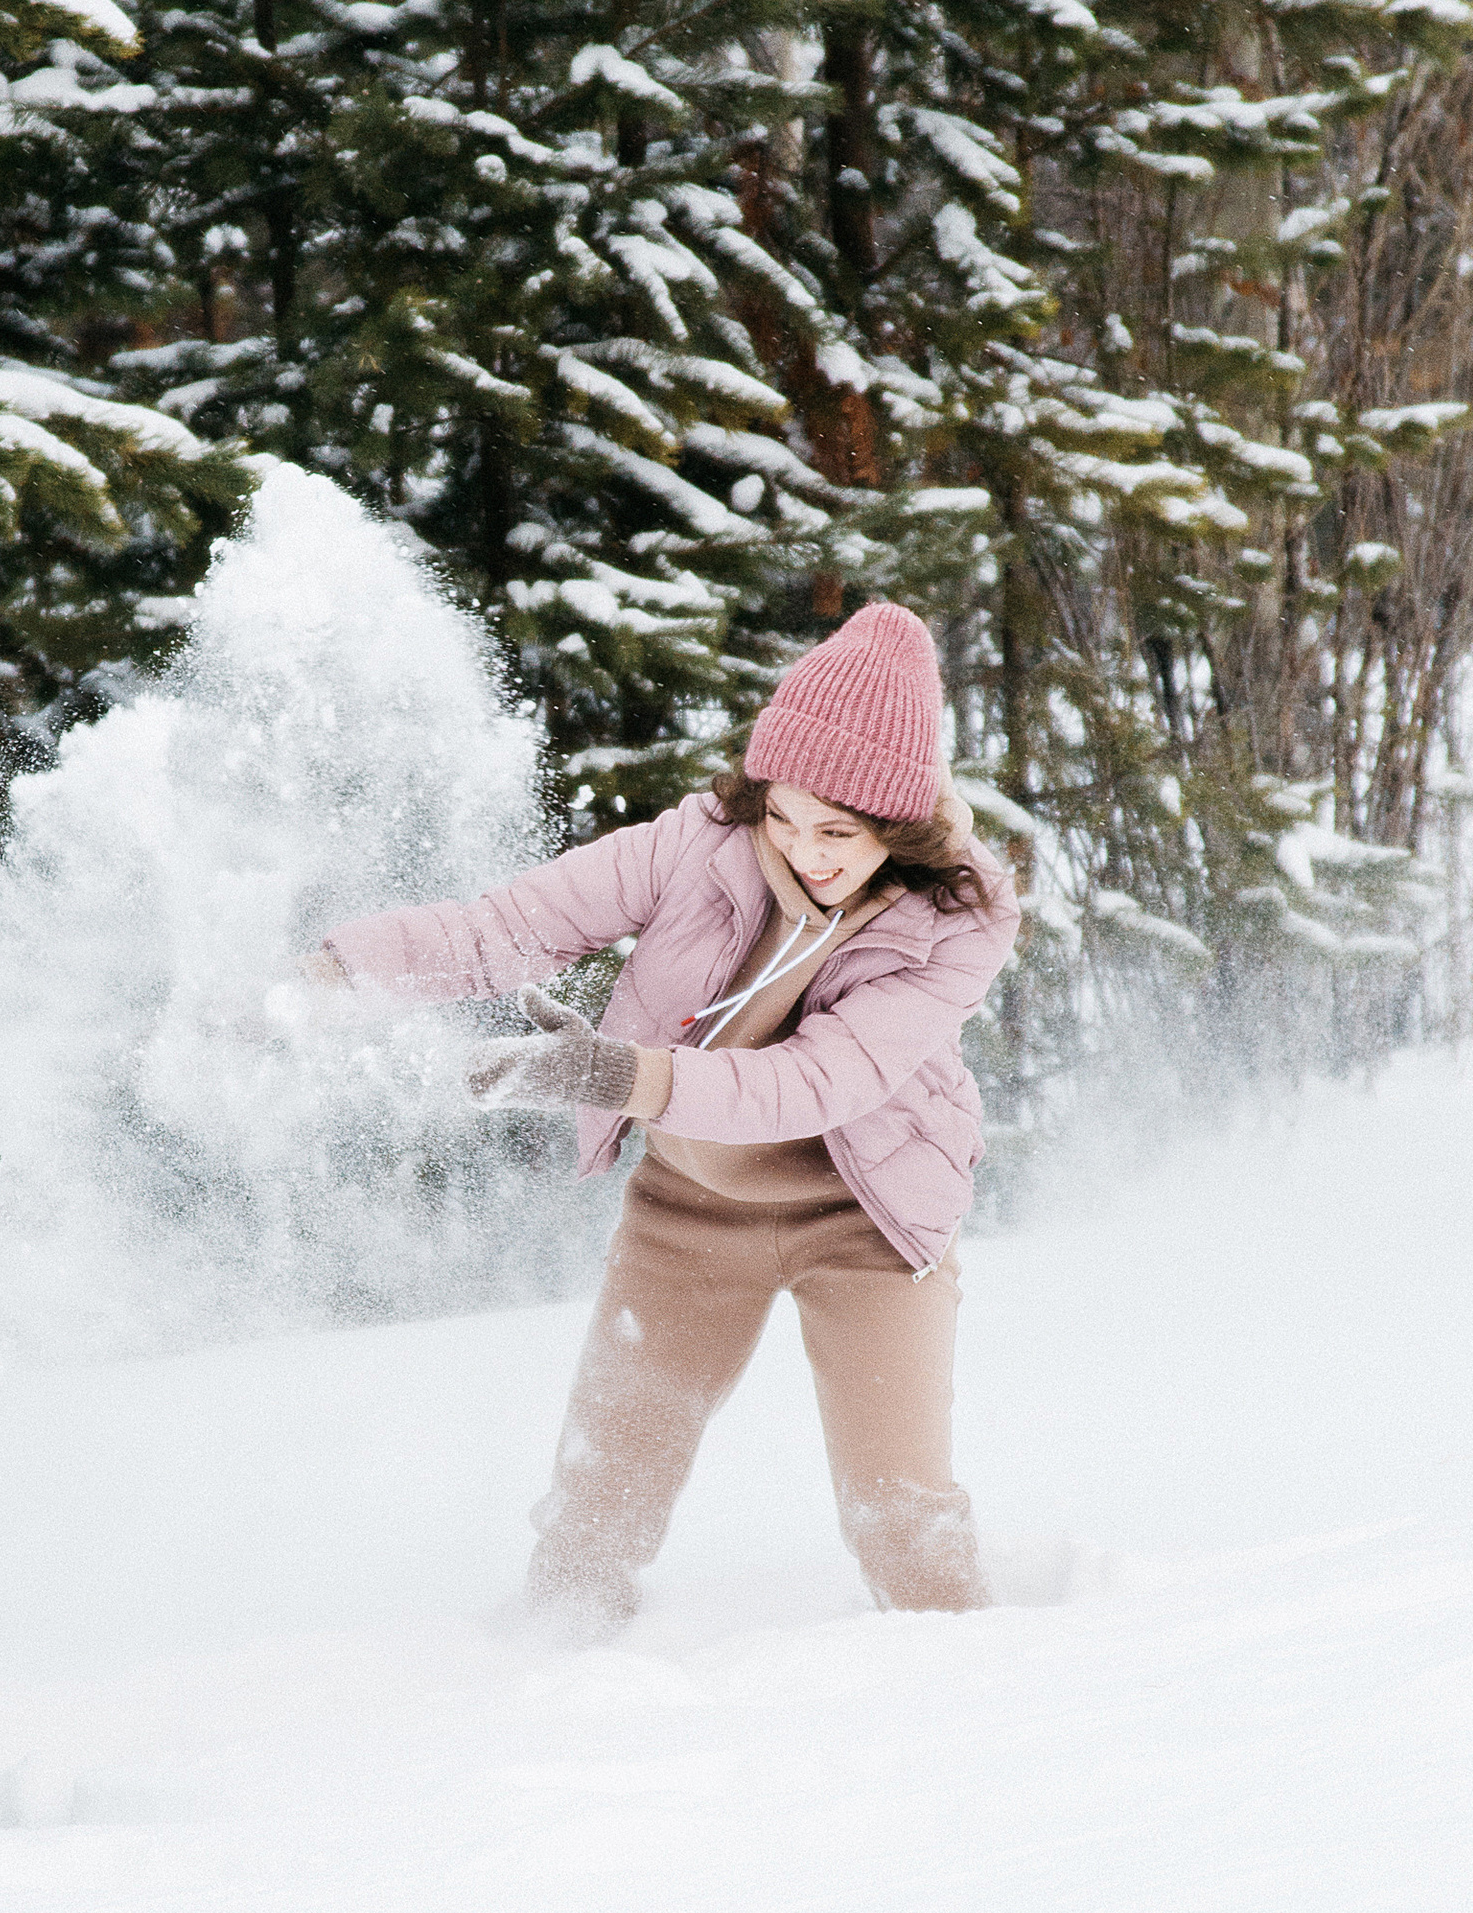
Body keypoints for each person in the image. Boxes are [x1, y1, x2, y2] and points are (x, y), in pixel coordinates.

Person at [303, 602, 1019, 1630]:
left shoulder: (959, 920)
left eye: (839, 833)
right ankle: (542, 1683)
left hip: (867, 1223)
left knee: (901, 1521)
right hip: (689, 1211)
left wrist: (616, 1075)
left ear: (897, 831)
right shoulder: (697, 845)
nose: (804, 851)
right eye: (785, 818)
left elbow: (819, 1082)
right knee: (592, 1517)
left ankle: (985, 1691)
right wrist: (337, 973)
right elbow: (511, 927)